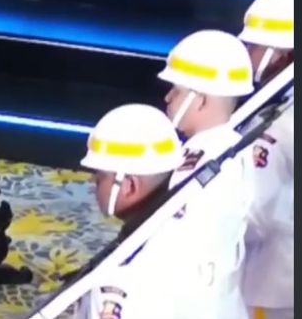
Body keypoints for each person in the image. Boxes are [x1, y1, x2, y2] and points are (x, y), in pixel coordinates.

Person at [77, 103, 249, 319]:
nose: (93, 183)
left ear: (130, 186)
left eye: (100, 177)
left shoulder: (119, 281)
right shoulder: (196, 216)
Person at [156, 30, 256, 319]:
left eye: (176, 90)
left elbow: (170, 247)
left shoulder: (205, 165)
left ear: (200, 101)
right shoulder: (223, 147)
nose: (167, 97)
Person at [238, 0, 294, 319]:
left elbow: (253, 215)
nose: (248, 56)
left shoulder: (278, 128)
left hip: (273, 283)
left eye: (254, 47)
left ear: (282, 55)